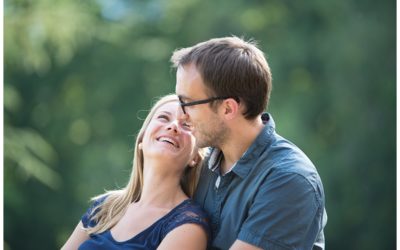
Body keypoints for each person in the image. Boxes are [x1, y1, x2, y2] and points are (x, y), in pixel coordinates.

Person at [171, 36, 327, 250]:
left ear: (228, 108)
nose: (180, 115)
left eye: (187, 103)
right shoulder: (202, 166)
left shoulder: (289, 179)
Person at [62, 94, 211, 250]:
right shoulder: (105, 207)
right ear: (141, 139)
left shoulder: (189, 227)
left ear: (195, 157)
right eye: (163, 118)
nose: (173, 126)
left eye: (186, 125)